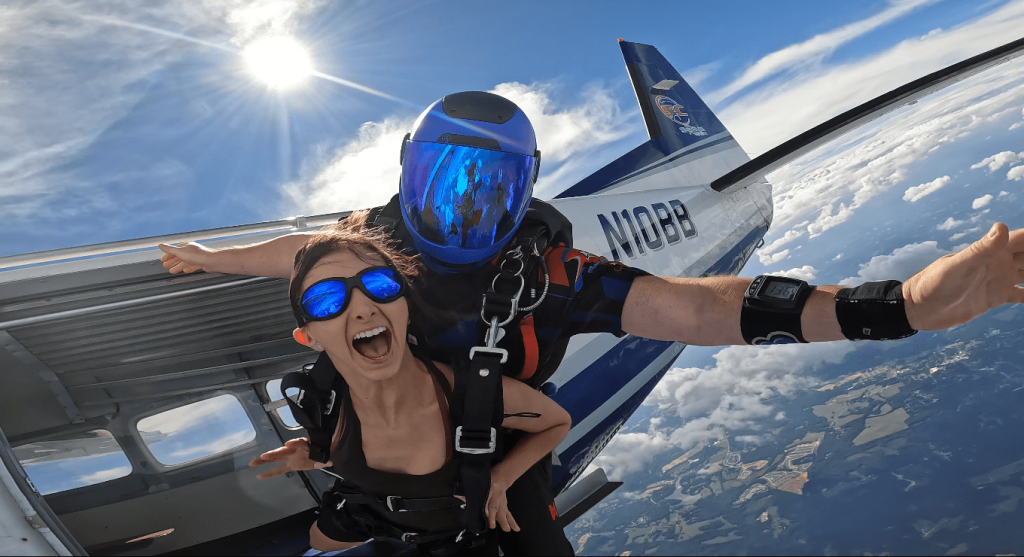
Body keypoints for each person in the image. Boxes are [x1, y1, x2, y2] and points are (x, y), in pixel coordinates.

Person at [161, 91, 1024, 555]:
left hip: (492, 471)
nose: (461, 214)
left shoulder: (553, 276)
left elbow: (701, 307)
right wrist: (211, 257)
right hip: (377, 458)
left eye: (487, 191)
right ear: (408, 177)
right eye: (443, 184)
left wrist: (900, 308)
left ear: (523, 192)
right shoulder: (368, 247)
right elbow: (299, 250)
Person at [248, 213, 571, 554]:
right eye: (325, 300)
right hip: (370, 511)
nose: (362, 309)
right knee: (319, 540)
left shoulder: (471, 396)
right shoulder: (324, 406)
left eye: (381, 284)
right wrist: (317, 455)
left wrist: (502, 477)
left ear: (405, 303)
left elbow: (556, 422)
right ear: (308, 337)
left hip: (453, 532)